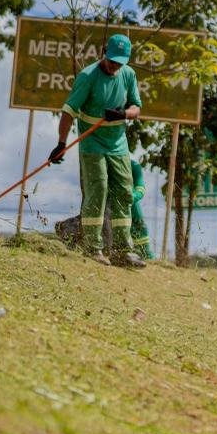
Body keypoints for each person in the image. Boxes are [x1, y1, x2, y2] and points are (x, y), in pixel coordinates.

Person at [48, 33, 146, 268]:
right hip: (92, 142)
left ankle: (123, 251)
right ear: (104, 53)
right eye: (112, 61)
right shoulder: (87, 76)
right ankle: (93, 248)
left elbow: (136, 107)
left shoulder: (128, 74)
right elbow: (69, 111)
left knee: (124, 191)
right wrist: (61, 144)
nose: (115, 66)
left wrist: (123, 114)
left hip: (118, 143)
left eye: (120, 63)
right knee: (98, 188)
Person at [129, 158, 155, 260]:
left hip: (130, 203)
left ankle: (144, 253)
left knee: (139, 224)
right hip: (107, 203)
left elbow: (140, 187)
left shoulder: (133, 166)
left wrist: (132, 197)